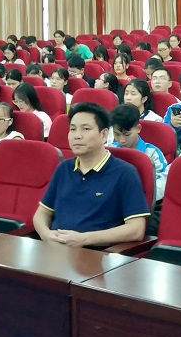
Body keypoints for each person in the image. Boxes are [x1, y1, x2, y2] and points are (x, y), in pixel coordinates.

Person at [33, 102, 149, 247]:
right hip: (54, 249)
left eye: (86, 129)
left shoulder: (125, 173)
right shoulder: (64, 168)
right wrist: (46, 234)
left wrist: (83, 239)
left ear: (104, 134)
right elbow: (42, 213)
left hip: (96, 254)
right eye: (72, 129)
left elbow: (136, 229)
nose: (77, 136)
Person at [110, 104, 168, 205]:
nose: (122, 140)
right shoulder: (110, 150)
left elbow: (161, 184)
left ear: (138, 128)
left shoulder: (152, 153)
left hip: (138, 203)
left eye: (127, 134)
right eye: (117, 134)